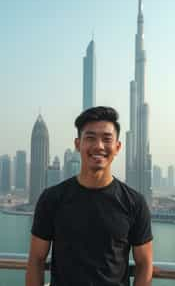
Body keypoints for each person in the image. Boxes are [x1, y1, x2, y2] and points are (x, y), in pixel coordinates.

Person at [26, 106, 153, 286]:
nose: (98, 146)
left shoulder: (134, 203)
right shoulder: (52, 198)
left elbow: (144, 264)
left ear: (117, 147)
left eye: (106, 139)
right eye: (90, 138)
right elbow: (36, 259)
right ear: (78, 144)